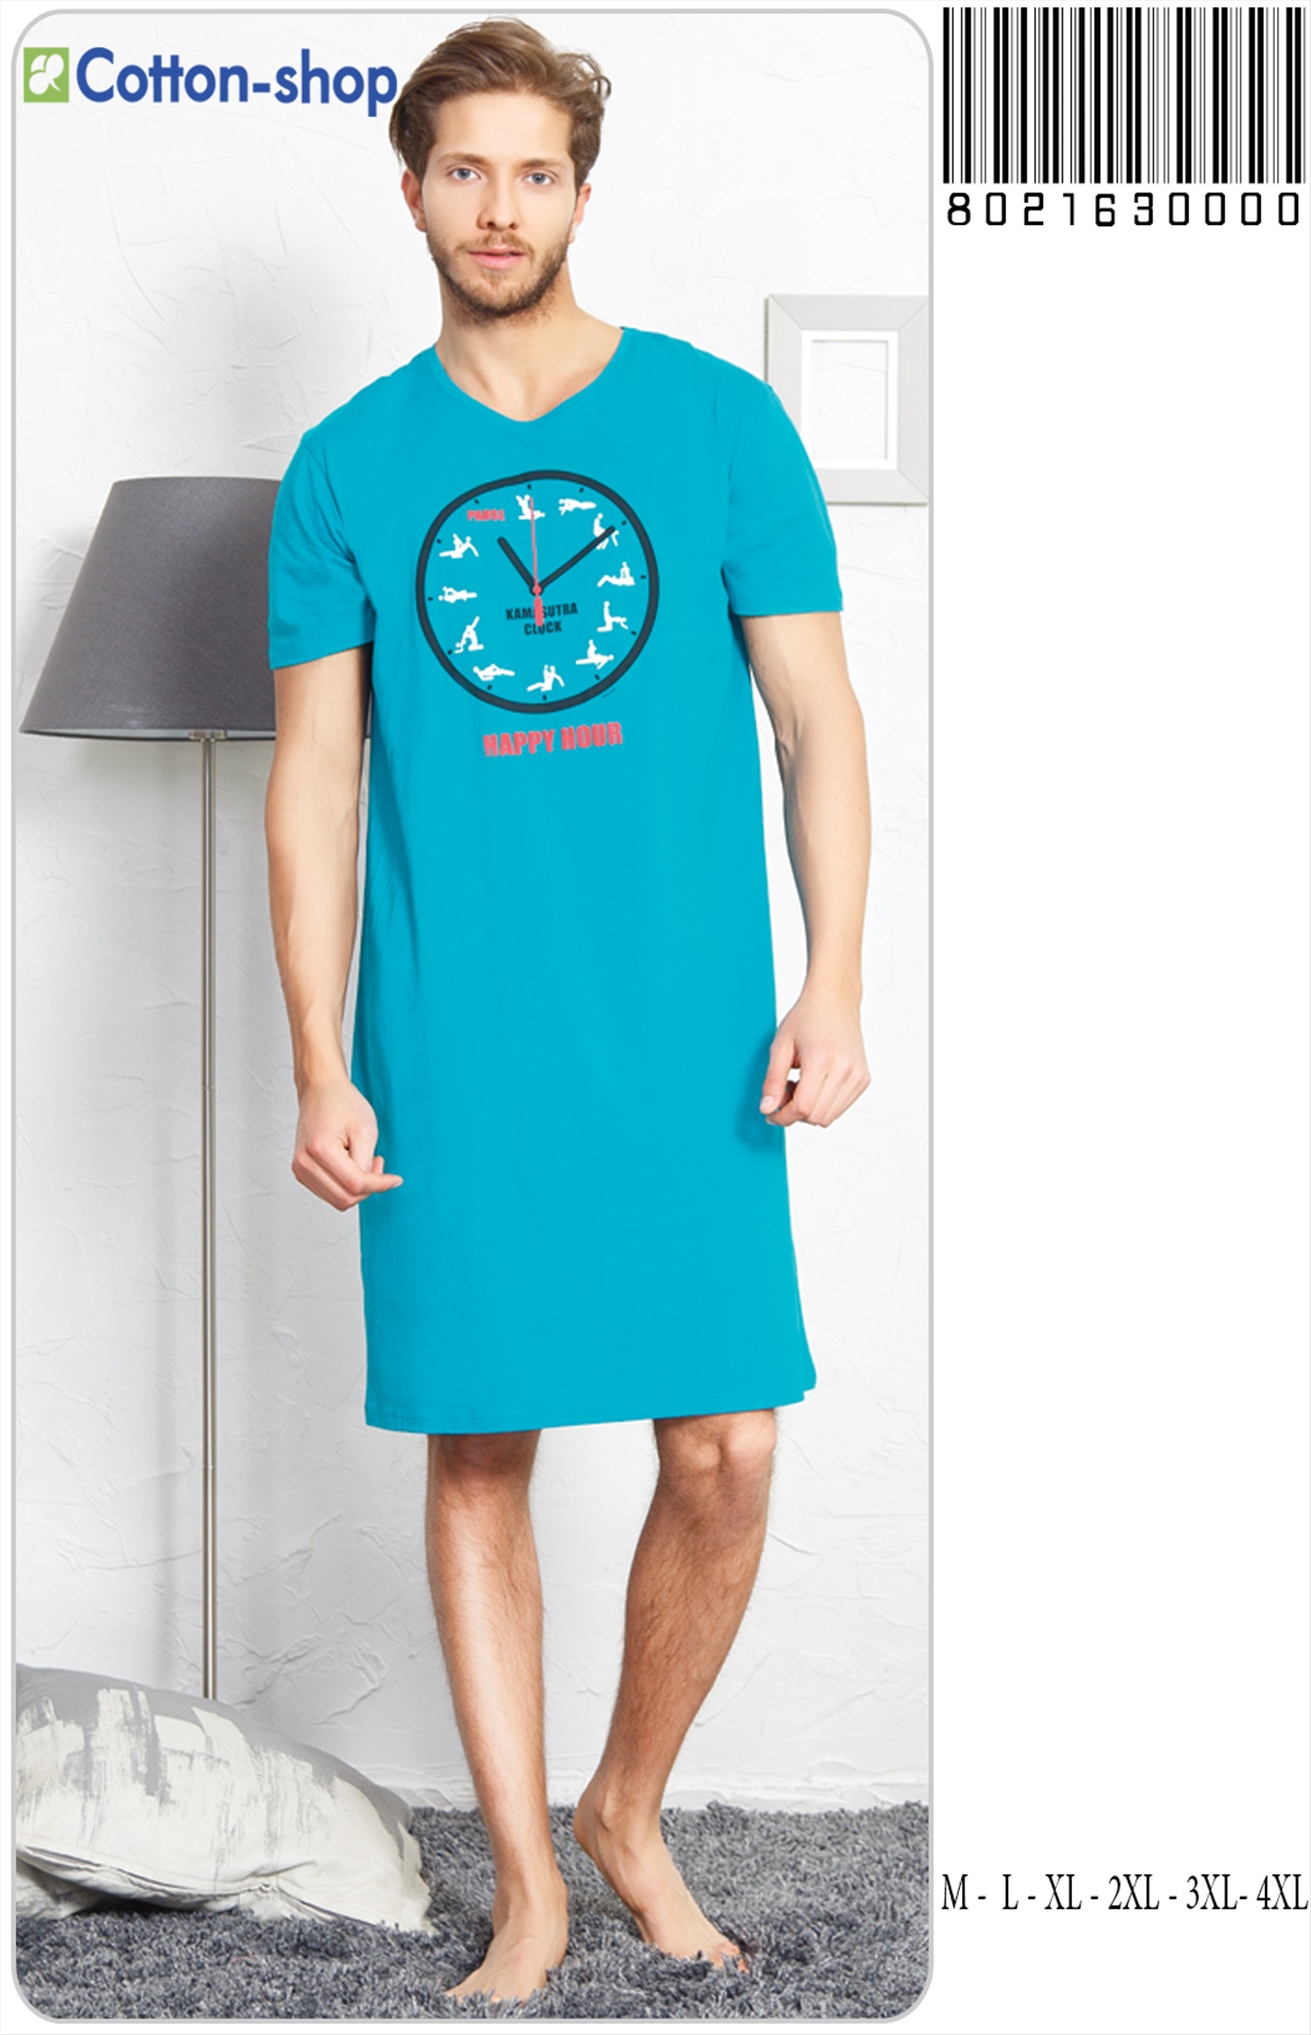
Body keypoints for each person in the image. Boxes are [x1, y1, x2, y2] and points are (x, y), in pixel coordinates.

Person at [263, 15, 871, 2006]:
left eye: (535, 171)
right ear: (413, 192)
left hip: (690, 1036)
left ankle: (629, 1801)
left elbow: (816, 722)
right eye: (466, 170)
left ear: (582, 195)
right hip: (454, 1038)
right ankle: (529, 1881)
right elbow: (315, 782)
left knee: (727, 1448)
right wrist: (319, 1053)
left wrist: (835, 977)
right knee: (479, 1452)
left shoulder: (717, 427)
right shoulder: (348, 467)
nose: (500, 207)